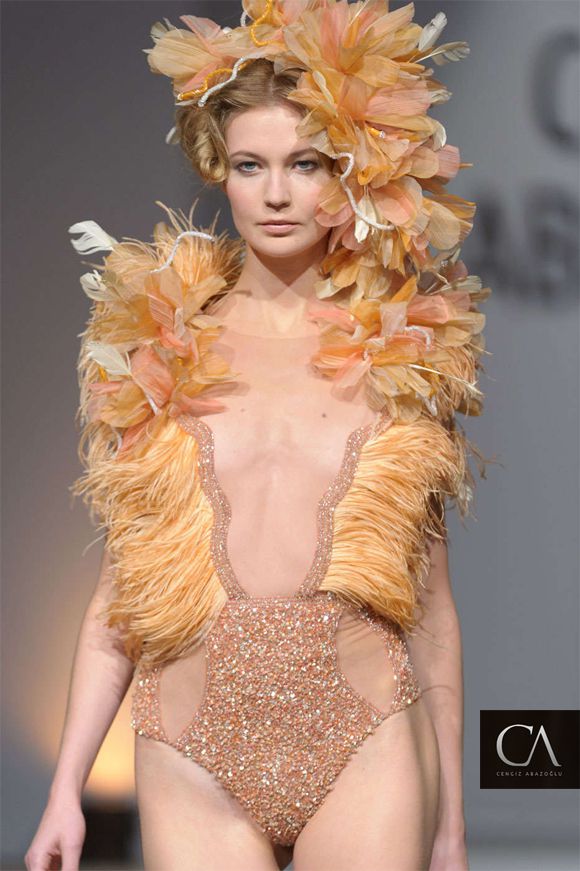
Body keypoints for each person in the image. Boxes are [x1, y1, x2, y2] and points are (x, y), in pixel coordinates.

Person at [26, 2, 493, 870]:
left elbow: (432, 614)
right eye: (251, 165)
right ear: (222, 172)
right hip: (190, 749)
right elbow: (116, 607)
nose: (276, 194)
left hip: (365, 740)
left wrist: (451, 827)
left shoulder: (402, 350)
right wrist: (65, 793)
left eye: (303, 163)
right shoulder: (158, 345)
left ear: (346, 175)